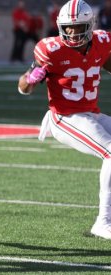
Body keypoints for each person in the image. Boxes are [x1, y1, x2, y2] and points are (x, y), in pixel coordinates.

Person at [17, 0, 111, 240]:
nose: (71, 32)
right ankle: (103, 222)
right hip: (65, 117)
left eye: (77, 27)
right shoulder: (50, 49)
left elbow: (104, 62)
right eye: (67, 27)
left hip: (92, 113)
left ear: (90, 25)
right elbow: (23, 88)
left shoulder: (102, 42)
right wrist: (32, 76)